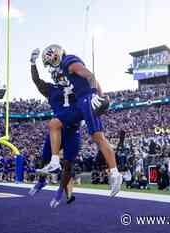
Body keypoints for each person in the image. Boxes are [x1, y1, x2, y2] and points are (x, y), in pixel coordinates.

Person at [37, 45, 122, 197]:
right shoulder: (64, 68)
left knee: (98, 137)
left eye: (51, 62)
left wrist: (96, 94)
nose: (51, 67)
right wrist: (100, 95)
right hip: (80, 103)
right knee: (54, 123)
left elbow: (90, 75)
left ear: (56, 56)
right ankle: (55, 161)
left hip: (87, 99)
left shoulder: (68, 61)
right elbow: (91, 78)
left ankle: (115, 174)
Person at [28, 49, 80, 206]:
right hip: (57, 131)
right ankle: (42, 181)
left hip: (73, 130)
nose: (61, 75)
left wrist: (64, 57)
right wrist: (32, 63)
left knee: (68, 165)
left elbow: (79, 72)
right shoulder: (51, 89)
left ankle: (59, 192)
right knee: (44, 160)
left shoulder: (77, 86)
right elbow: (37, 81)